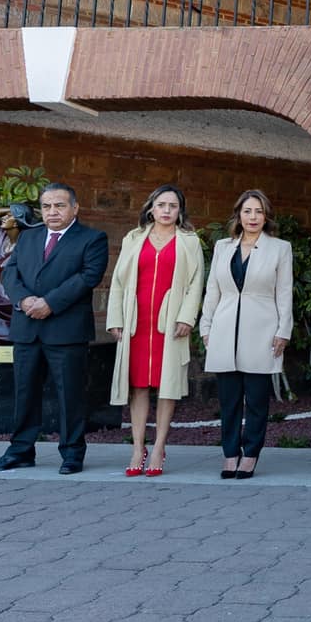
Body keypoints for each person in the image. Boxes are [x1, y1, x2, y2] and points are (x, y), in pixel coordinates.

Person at [0, 183, 108, 476]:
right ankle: (21, 450)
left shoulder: (92, 238)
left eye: (60, 205)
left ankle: (72, 453)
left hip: (65, 329)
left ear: (74, 208)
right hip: (27, 327)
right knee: (24, 392)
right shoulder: (29, 237)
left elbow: (88, 277)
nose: (52, 212)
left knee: (70, 395)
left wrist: (50, 303)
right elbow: (11, 271)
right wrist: (24, 299)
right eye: (47, 206)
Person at [106, 185, 206, 477]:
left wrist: (187, 317)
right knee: (137, 384)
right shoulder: (133, 238)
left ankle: (159, 446)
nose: (166, 210)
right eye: (161, 204)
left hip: (170, 323)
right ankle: (138, 446)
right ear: (151, 208)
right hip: (137, 321)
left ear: (180, 211)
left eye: (172, 206)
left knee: (168, 385)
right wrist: (116, 319)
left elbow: (195, 284)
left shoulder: (189, 241)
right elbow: (119, 282)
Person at [200, 190, 293, 479]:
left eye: (259, 212)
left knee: (255, 400)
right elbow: (212, 288)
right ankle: (230, 454)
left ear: (266, 217)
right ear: (238, 215)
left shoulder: (280, 248)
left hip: (262, 329)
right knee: (228, 400)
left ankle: (250, 454)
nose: (253, 217)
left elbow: (284, 291)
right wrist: (206, 327)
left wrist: (283, 330)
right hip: (224, 329)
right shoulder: (222, 247)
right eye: (247, 211)